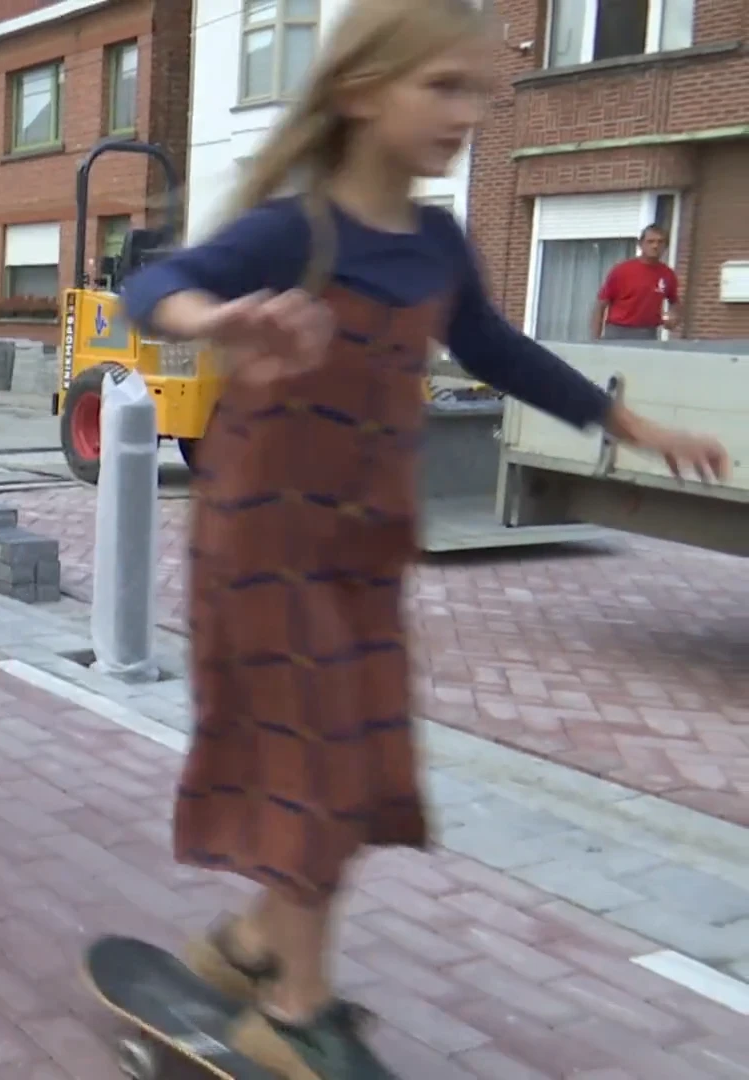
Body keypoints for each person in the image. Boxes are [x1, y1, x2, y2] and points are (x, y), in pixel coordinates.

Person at [115, 1, 730, 1075]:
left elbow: (493, 345)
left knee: (351, 766)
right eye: (443, 88)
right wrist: (211, 321)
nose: (468, 113)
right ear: (360, 92)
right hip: (263, 546)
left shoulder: (437, 241)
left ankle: (256, 944)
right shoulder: (296, 229)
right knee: (313, 766)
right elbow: (152, 285)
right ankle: (297, 1007)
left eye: (478, 92)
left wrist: (624, 420)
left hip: (360, 553)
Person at [594, 224, 679, 340]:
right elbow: (601, 305)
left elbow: (674, 301)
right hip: (618, 332)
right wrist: (595, 340)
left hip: (648, 333)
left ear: (666, 246)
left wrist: (672, 316)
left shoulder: (667, 274)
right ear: (641, 244)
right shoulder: (622, 270)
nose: (655, 246)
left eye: (660, 242)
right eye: (650, 241)